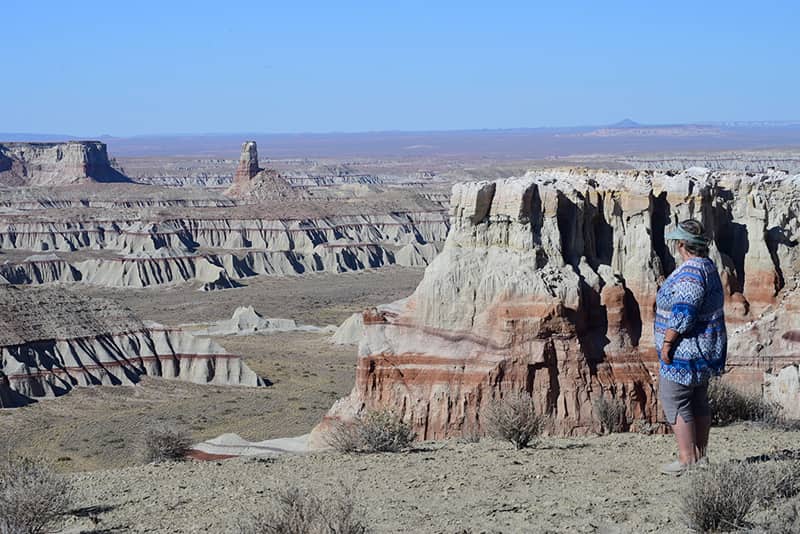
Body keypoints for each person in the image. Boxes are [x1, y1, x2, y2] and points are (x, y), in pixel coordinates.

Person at [655, 219, 727, 475]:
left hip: (686, 350)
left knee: (674, 398)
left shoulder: (691, 272)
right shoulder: (708, 266)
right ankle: (699, 456)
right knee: (697, 399)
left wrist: (667, 342)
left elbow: (684, 312)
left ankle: (687, 460)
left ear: (682, 244)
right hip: (705, 347)